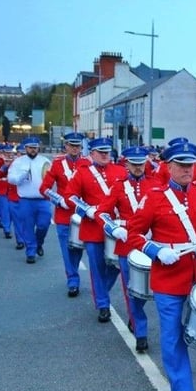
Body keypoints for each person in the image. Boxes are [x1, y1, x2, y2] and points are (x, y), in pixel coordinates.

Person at [126, 141, 196, 391]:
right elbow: (134, 234)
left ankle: (182, 371)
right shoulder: (154, 196)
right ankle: (181, 389)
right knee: (172, 335)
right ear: (168, 166)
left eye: (190, 164)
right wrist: (156, 250)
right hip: (169, 278)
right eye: (181, 164)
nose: (187, 169)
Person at [96, 146, 162, 352]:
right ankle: (141, 331)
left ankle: (141, 321)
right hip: (127, 242)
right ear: (127, 164)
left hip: (153, 241)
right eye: (134, 164)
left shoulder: (157, 184)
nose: (138, 168)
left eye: (141, 164)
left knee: (158, 289)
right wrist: (113, 229)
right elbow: (102, 213)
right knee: (132, 290)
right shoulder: (118, 186)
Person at [65, 138, 127, 322]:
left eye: (107, 151)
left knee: (116, 265)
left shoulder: (121, 171)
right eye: (100, 152)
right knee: (97, 267)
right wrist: (87, 210)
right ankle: (102, 304)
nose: (105, 155)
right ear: (91, 153)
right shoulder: (83, 173)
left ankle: (100, 292)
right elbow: (70, 197)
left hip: (117, 226)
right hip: (93, 228)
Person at [39, 133, 90, 297]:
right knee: (67, 249)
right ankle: (73, 280)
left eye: (77, 146)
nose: (74, 149)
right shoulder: (57, 164)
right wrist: (59, 200)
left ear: (81, 147)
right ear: (66, 146)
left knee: (78, 249)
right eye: (71, 145)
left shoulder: (88, 164)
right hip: (64, 215)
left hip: (83, 215)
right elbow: (44, 188)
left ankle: (73, 272)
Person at [7, 137, 53, 264]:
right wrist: (21, 176)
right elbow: (10, 179)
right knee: (27, 227)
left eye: (35, 147)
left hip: (43, 200)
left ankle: (39, 243)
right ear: (25, 148)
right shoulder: (18, 162)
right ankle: (31, 252)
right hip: (25, 200)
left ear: (38, 148)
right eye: (30, 147)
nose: (33, 150)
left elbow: (52, 179)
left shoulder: (45, 161)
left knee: (44, 224)